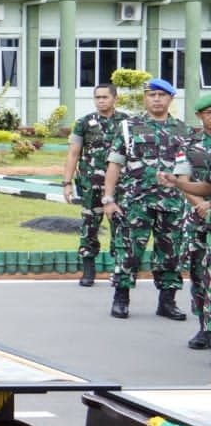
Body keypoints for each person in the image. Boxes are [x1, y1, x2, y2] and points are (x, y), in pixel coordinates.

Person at [102, 77, 193, 321]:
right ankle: (121, 299)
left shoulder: (183, 130)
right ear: (145, 98)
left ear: (170, 99)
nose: (156, 99)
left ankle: (167, 302)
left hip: (173, 204)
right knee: (129, 251)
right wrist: (109, 199)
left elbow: (189, 169)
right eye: (151, 95)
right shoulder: (129, 127)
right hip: (137, 203)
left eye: (161, 95)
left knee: (171, 253)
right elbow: (114, 164)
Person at [62, 83, 124, 287]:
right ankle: (88, 270)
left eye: (105, 97)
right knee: (89, 225)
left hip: (120, 186)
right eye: (97, 97)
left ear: (115, 98)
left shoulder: (127, 122)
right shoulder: (84, 122)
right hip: (91, 185)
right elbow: (73, 153)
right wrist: (66, 182)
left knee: (120, 226)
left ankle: (119, 270)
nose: (101, 101)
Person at [170, 93, 211, 348]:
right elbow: (183, 182)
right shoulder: (189, 144)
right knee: (199, 273)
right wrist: (202, 207)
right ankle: (205, 326)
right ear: (199, 116)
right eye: (208, 113)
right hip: (199, 220)